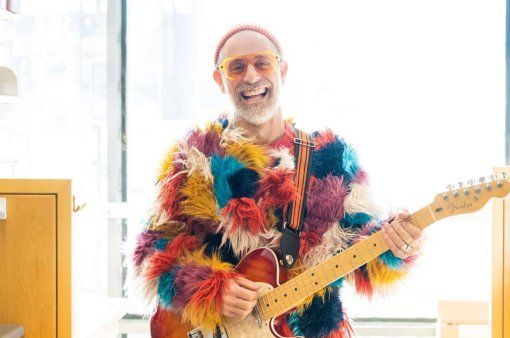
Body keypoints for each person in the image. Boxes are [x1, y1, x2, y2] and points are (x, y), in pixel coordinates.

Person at [131, 23, 424, 338]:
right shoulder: (193, 159)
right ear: (219, 79)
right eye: (236, 67)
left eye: (262, 62)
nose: (252, 76)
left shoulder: (331, 158)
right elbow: (150, 258)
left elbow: (365, 254)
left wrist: (399, 246)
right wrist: (211, 290)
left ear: (282, 71)